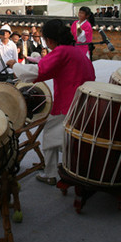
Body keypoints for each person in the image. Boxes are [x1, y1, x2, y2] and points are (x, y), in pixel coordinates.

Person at [7, 19, 95, 185]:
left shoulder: (61, 52)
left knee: (51, 133)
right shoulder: (75, 51)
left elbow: (39, 71)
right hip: (83, 101)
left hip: (70, 103)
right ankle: (55, 167)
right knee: (59, 134)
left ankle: (51, 173)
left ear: (50, 40)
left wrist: (14, 66)